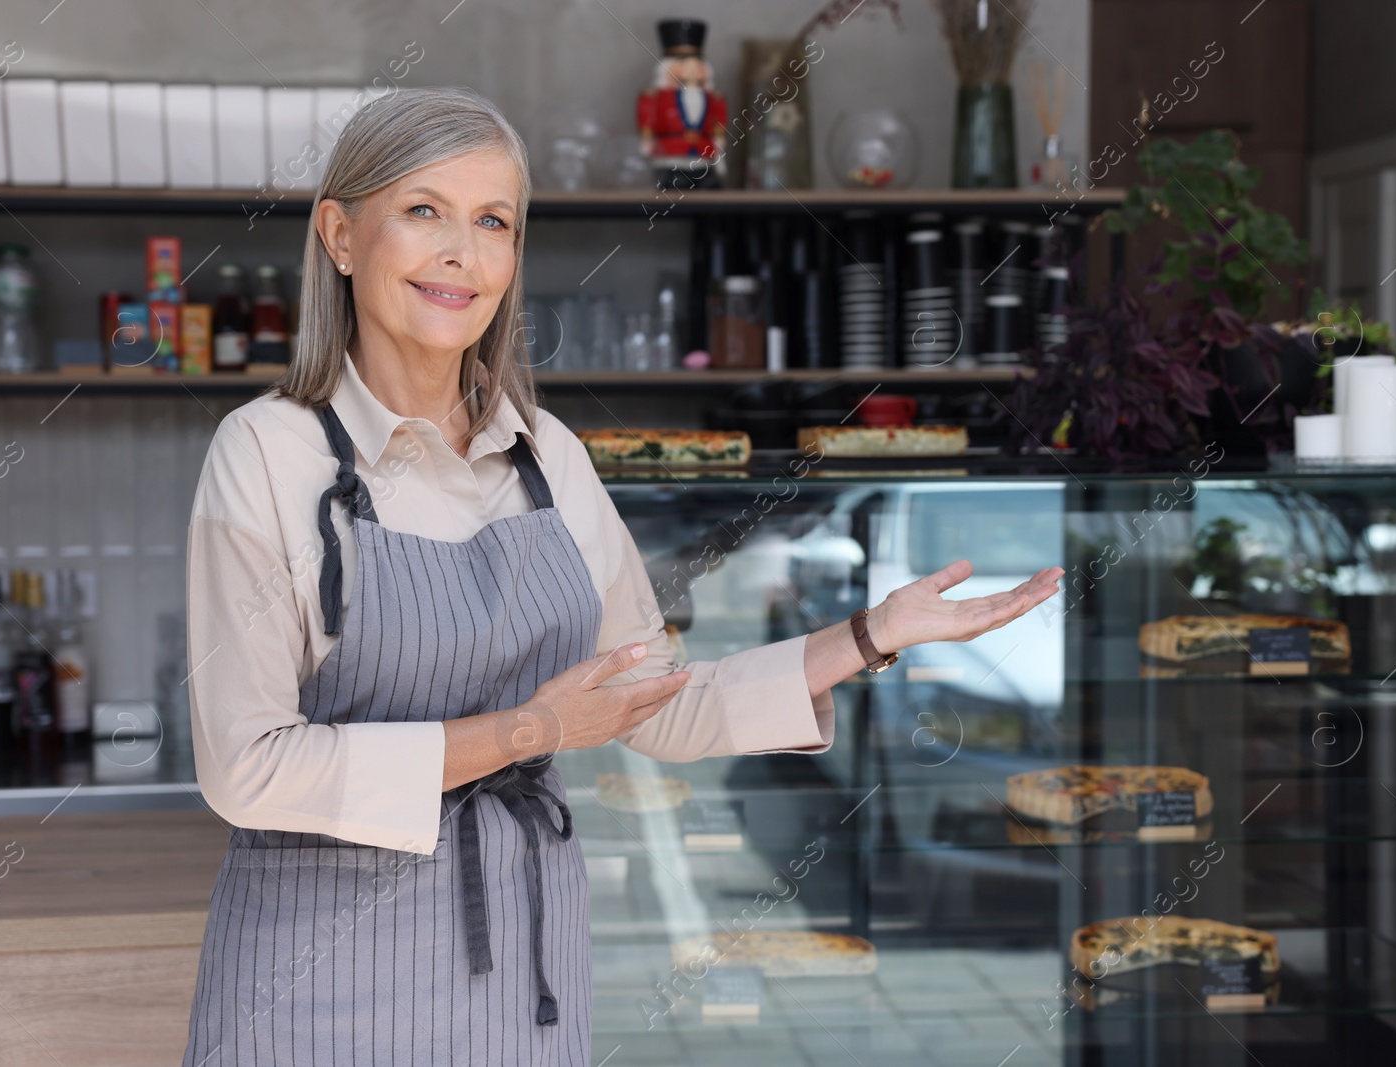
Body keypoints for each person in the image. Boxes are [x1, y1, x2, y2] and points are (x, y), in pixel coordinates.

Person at [181, 85, 1062, 1067]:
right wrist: (533, 732)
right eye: (422, 211)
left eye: (493, 222)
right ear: (340, 235)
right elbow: (245, 766)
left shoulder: (545, 456)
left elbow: (659, 704)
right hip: (318, 985)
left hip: (523, 971)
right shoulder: (267, 451)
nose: (460, 255)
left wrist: (868, 636)